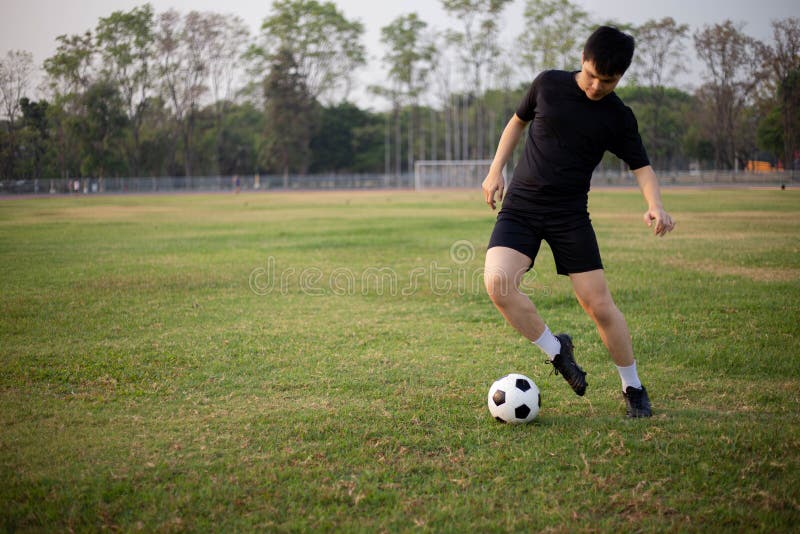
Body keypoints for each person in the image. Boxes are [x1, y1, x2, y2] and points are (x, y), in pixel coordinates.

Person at [481, 26, 675, 418]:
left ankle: (633, 387)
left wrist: (655, 204)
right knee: (498, 283)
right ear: (582, 60)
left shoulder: (618, 116)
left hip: (570, 215)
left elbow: (642, 167)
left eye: (607, 81)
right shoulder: (548, 85)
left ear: (620, 77)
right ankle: (558, 352)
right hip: (522, 206)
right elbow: (516, 122)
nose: (595, 87)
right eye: (591, 76)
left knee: (599, 305)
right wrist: (495, 170)